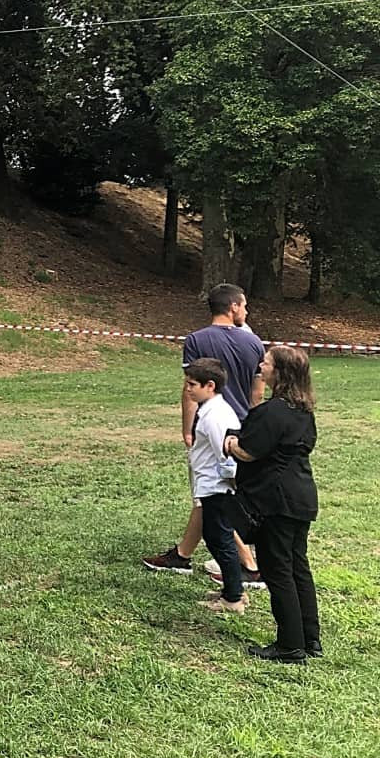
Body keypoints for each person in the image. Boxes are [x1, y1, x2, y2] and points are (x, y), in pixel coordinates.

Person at [143, 284, 265, 582]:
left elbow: (190, 389)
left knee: (213, 495)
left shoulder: (197, 340)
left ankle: (250, 566)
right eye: (244, 305)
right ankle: (182, 555)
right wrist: (250, 425)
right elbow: (257, 392)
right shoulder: (254, 342)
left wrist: (187, 430)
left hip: (209, 428)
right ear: (233, 306)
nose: (246, 310)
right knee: (210, 494)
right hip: (240, 430)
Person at [224, 346, 321, 663]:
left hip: (275, 501)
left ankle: (290, 645)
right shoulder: (304, 412)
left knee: (278, 571)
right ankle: (310, 638)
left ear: (279, 372)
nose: (260, 365)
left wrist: (229, 442)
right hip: (301, 496)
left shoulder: (271, 412)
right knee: (298, 568)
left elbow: (249, 451)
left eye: (266, 362)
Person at [182, 358, 247, 614]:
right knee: (215, 537)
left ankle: (233, 597)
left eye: (192, 385)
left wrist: (229, 486)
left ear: (210, 385)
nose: (187, 390)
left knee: (220, 539)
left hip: (218, 488)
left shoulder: (215, 416)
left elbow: (227, 454)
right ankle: (232, 589)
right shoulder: (209, 409)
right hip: (210, 484)